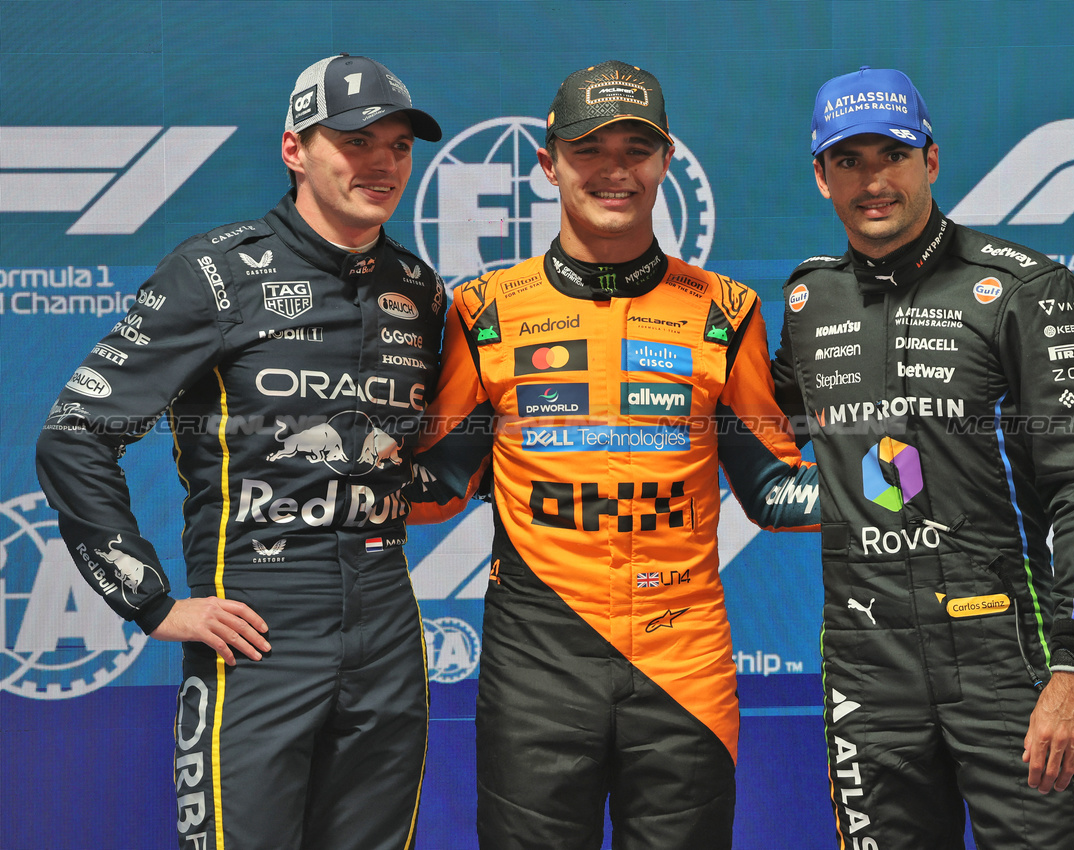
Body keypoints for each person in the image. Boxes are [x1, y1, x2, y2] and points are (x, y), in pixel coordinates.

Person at [35, 54, 445, 850]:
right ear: (295, 149)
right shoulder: (216, 272)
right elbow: (74, 436)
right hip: (258, 619)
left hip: (388, 620)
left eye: (399, 145)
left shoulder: (420, 289)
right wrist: (149, 603)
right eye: (356, 141)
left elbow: (435, 451)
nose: (382, 163)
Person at [408, 60, 820, 850]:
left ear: (667, 161)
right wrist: (335, 467)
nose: (614, 170)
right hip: (536, 671)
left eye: (636, 147)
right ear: (548, 161)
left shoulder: (727, 311)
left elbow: (773, 491)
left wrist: (908, 482)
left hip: (684, 669)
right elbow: (442, 486)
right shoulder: (484, 308)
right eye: (589, 147)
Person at [771, 66, 1074, 849]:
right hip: (864, 664)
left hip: (1007, 657)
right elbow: (768, 440)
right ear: (820, 175)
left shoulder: (1023, 287)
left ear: (929, 160)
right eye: (848, 161)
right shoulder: (806, 301)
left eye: (891, 155)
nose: (873, 181)